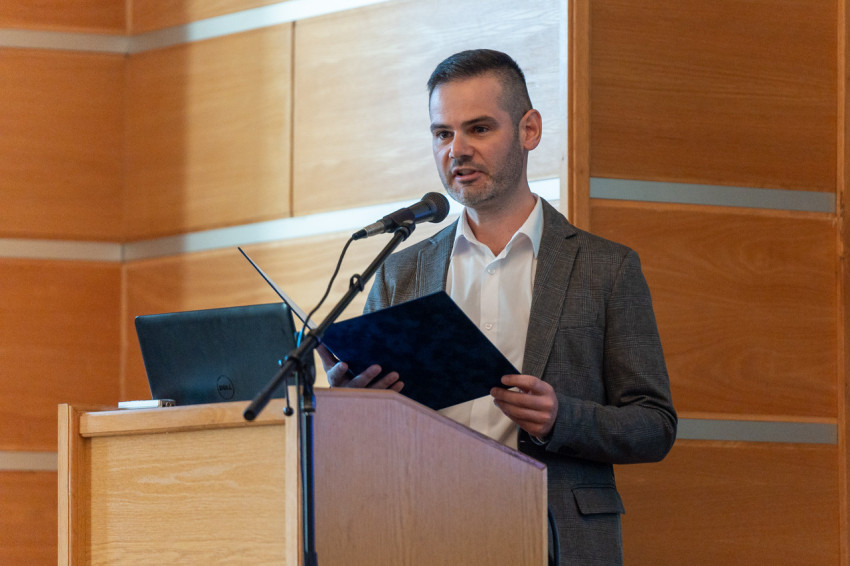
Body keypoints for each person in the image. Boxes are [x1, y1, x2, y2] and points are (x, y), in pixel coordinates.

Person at [319, 49, 677, 566]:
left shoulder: (606, 269)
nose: (457, 150)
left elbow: (654, 425)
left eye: (479, 129)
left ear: (529, 130)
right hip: (420, 531)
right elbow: (368, 437)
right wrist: (356, 407)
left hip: (552, 537)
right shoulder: (400, 271)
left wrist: (561, 418)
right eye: (443, 133)